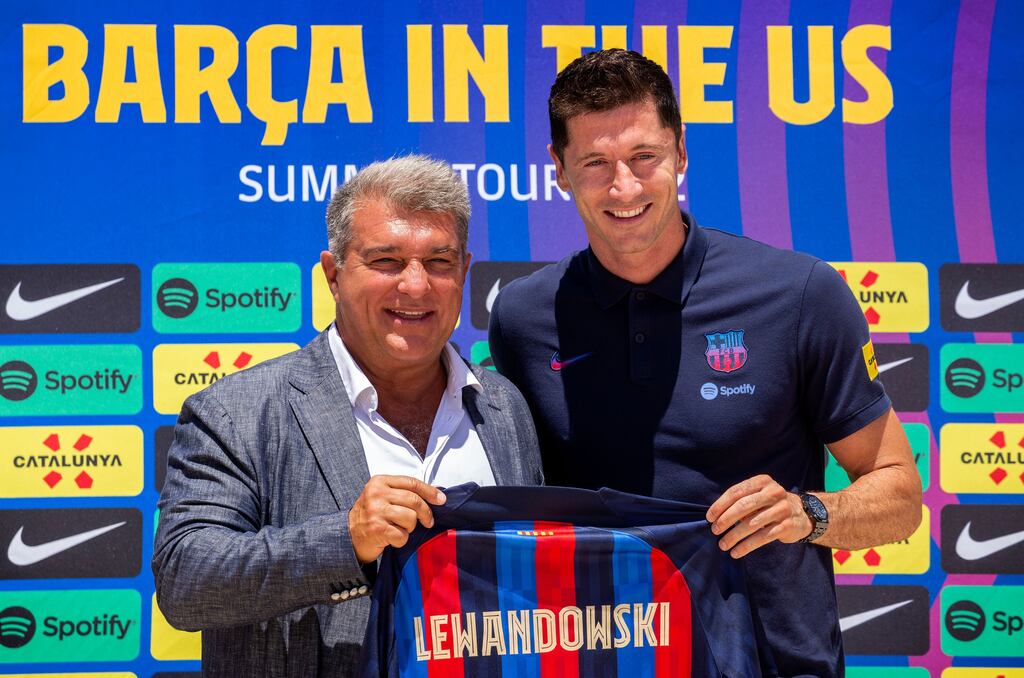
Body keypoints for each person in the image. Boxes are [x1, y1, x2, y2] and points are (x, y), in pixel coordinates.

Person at [488, 49, 921, 677]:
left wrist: (810, 513)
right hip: (595, 662)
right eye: (595, 164)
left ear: (681, 152)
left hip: (775, 663)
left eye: (644, 157)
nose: (625, 187)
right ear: (558, 170)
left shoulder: (800, 294)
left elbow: (901, 494)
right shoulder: (522, 318)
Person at [153, 155, 543, 677]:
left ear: (465, 272)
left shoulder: (504, 407)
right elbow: (186, 584)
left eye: (439, 262)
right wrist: (347, 540)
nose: (415, 286)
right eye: (386, 261)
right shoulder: (236, 412)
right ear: (334, 275)